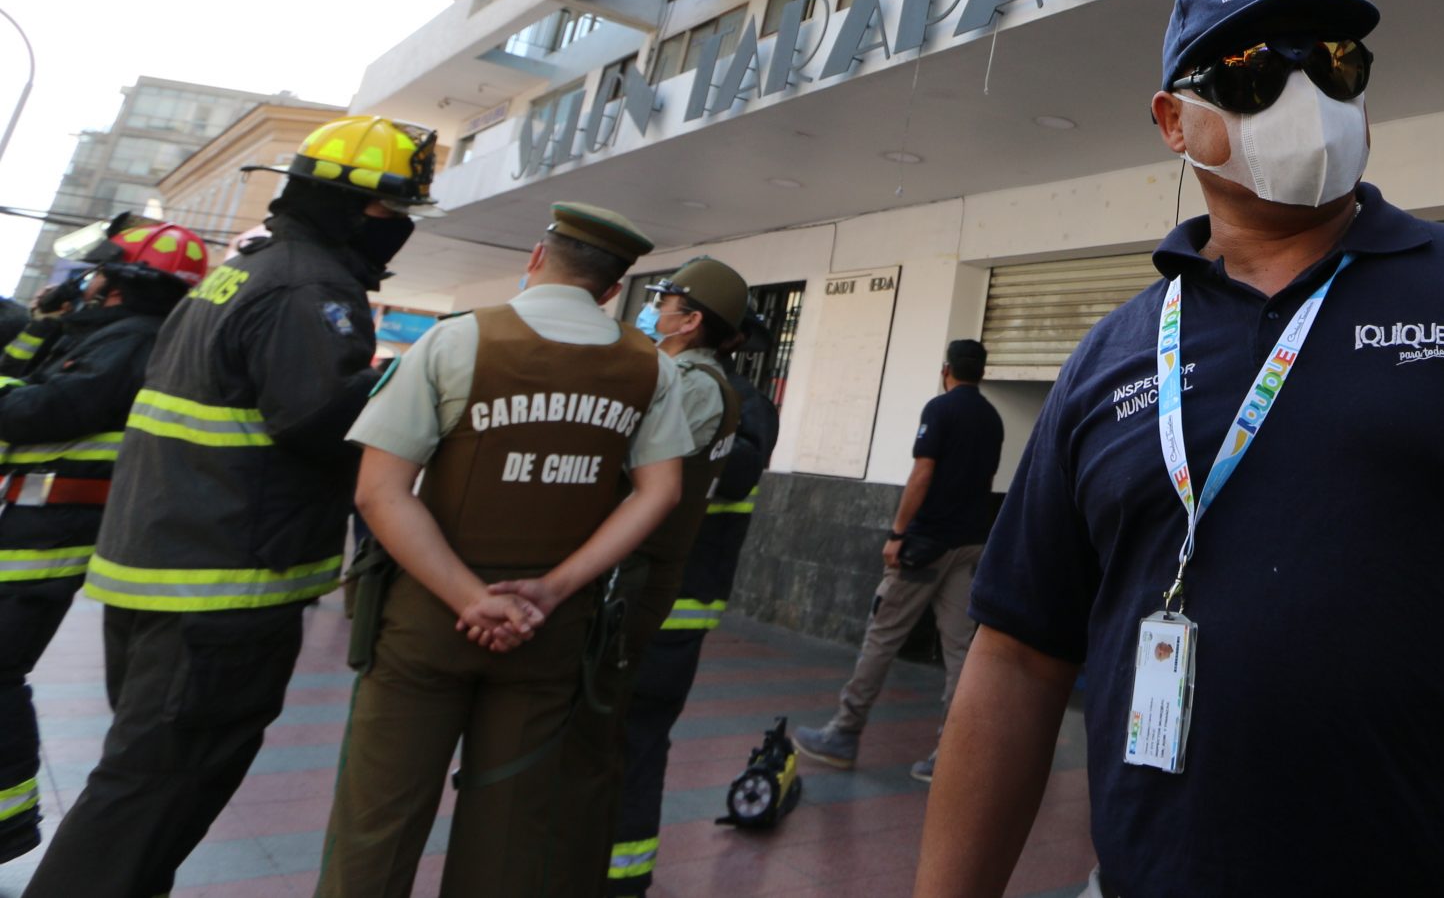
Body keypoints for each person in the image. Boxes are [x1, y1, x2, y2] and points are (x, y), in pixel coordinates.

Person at [916, 0, 1444, 898]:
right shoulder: (1109, 358)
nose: (1306, 95)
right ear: (1174, 121)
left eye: (1336, 64)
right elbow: (1018, 655)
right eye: (1254, 73)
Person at [26, 114, 431, 898]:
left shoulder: (246, 267)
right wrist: (410, 388)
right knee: (146, 797)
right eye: (390, 210)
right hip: (223, 587)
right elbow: (318, 419)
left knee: (152, 791)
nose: (397, 228)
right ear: (348, 205)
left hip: (170, 571)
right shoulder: (311, 284)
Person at [311, 203, 692, 898]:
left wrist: (467, 596)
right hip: (548, 630)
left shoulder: (455, 341)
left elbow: (380, 491)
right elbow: (660, 491)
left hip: (426, 622)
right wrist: (552, 587)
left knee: (376, 826)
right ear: (612, 290)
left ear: (536, 258)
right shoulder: (650, 369)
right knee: (513, 837)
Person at [0, 219, 206, 861]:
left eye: (99, 275)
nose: (89, 284)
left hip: (47, 542)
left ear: (123, 284)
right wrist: (44, 321)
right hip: (29, 533)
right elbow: (22, 374)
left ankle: (7, 821)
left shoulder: (132, 342)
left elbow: (46, 409)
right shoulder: (106, 334)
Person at [598, 258, 780, 896]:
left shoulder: (708, 395)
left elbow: (673, 486)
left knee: (626, 744)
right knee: (633, 745)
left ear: (695, 320)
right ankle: (617, 872)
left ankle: (617, 878)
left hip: (658, 602)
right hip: (669, 603)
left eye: (665, 300)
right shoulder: (730, 397)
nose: (654, 309)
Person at [793, 337, 1003, 782]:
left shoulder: (940, 409)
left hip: (926, 546)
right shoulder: (993, 418)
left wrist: (897, 532)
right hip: (971, 545)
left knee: (883, 635)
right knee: (961, 650)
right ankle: (951, 753)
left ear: (947, 369)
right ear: (980, 372)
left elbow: (922, 473)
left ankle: (844, 733)